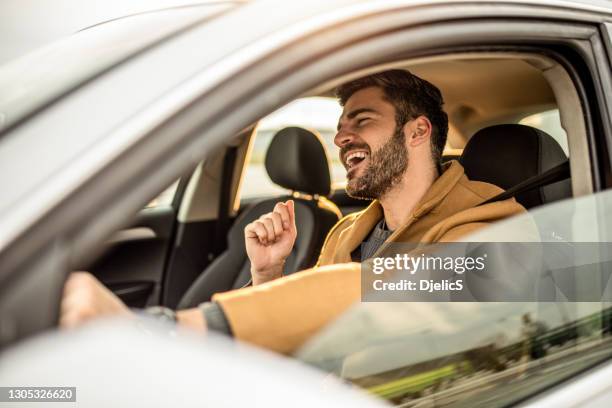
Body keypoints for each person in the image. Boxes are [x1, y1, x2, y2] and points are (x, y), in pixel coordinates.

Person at [61, 70, 527, 354]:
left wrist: (175, 329)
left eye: (362, 120)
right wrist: (269, 274)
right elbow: (318, 330)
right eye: (341, 126)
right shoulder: (347, 231)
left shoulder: (499, 226)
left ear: (418, 132)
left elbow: (390, 295)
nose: (341, 137)